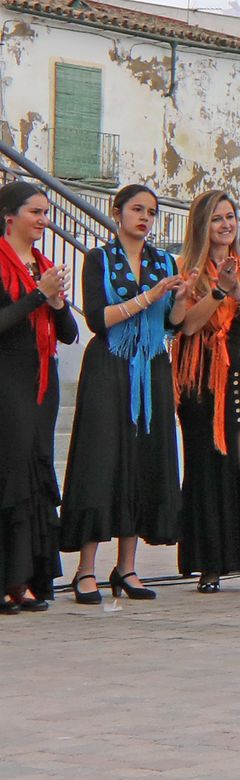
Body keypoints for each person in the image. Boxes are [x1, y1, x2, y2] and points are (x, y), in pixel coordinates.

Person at [60, 184, 195, 603]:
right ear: (117, 213)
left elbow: (171, 323)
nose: (145, 218)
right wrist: (148, 297)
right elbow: (99, 319)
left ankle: (128, 566)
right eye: (137, 210)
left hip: (152, 364)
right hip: (110, 365)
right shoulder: (99, 259)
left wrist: (182, 302)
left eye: (152, 212)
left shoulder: (163, 260)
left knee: (142, 457)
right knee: (101, 459)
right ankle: (85, 570)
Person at [171, 190, 240, 593]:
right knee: (208, 466)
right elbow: (186, 325)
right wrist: (218, 290)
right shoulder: (185, 269)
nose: (226, 224)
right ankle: (211, 564)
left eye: (231, 217)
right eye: (217, 218)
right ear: (202, 224)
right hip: (202, 376)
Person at [0, 182, 78, 612]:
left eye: (47, 212)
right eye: (36, 212)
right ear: (10, 216)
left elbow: (69, 334)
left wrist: (58, 302)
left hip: (40, 383)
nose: (44, 220)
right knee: (9, 476)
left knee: (34, 477)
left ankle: (25, 579)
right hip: (7, 378)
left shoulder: (44, 265)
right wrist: (37, 295)